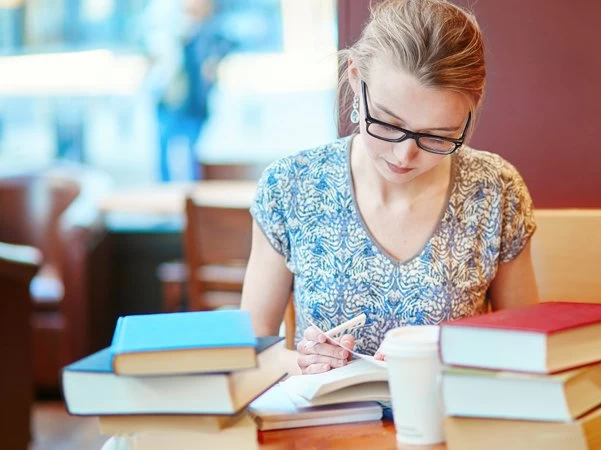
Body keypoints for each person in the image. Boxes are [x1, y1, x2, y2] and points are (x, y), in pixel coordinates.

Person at [241, 0, 539, 376]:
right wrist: (305, 362)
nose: (404, 155)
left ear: (470, 111)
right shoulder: (291, 186)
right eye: (387, 123)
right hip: (325, 429)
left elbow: (528, 349)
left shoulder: (496, 190)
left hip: (452, 425)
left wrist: (447, 351)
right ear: (354, 77)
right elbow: (250, 353)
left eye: (437, 135)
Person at [144, 0, 235, 182]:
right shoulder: (166, 30)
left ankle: (192, 196)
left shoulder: (210, 34)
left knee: (191, 154)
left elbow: (225, 46)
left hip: (194, 103)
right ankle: (165, 196)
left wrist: (213, 64)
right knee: (164, 152)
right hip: (168, 100)